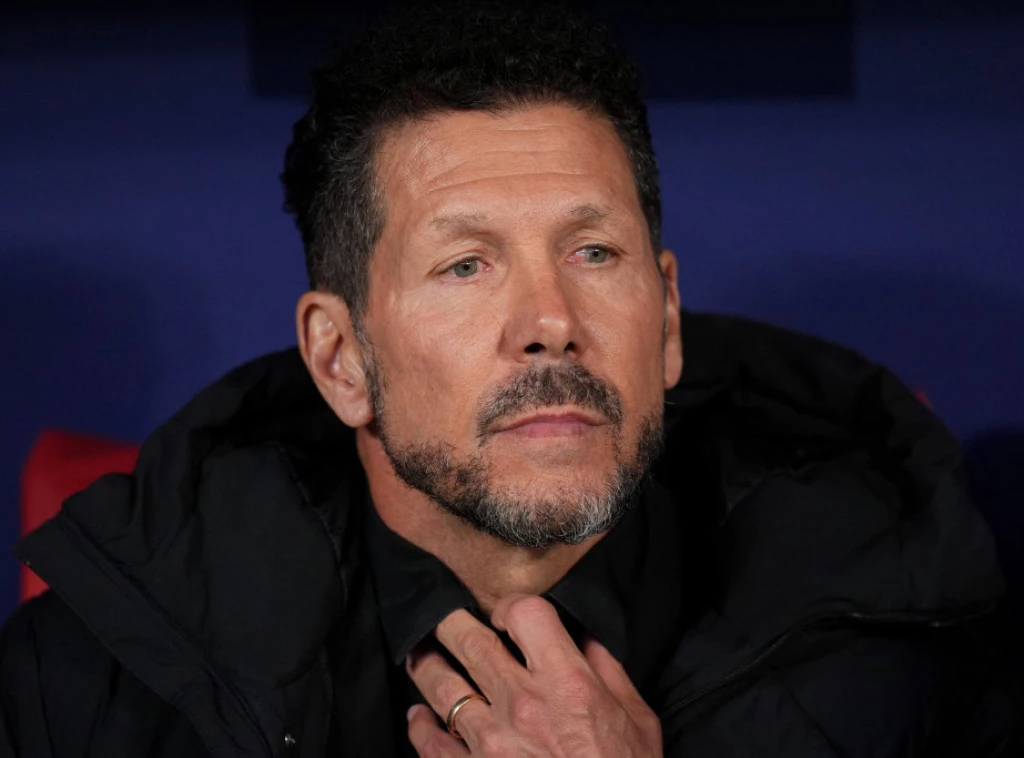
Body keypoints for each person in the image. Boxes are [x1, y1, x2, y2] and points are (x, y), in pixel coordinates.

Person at [1, 3, 1019, 756]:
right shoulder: (86, 681)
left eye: (593, 252)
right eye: (465, 265)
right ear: (341, 359)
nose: (551, 325)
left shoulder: (915, 651)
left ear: (667, 320)